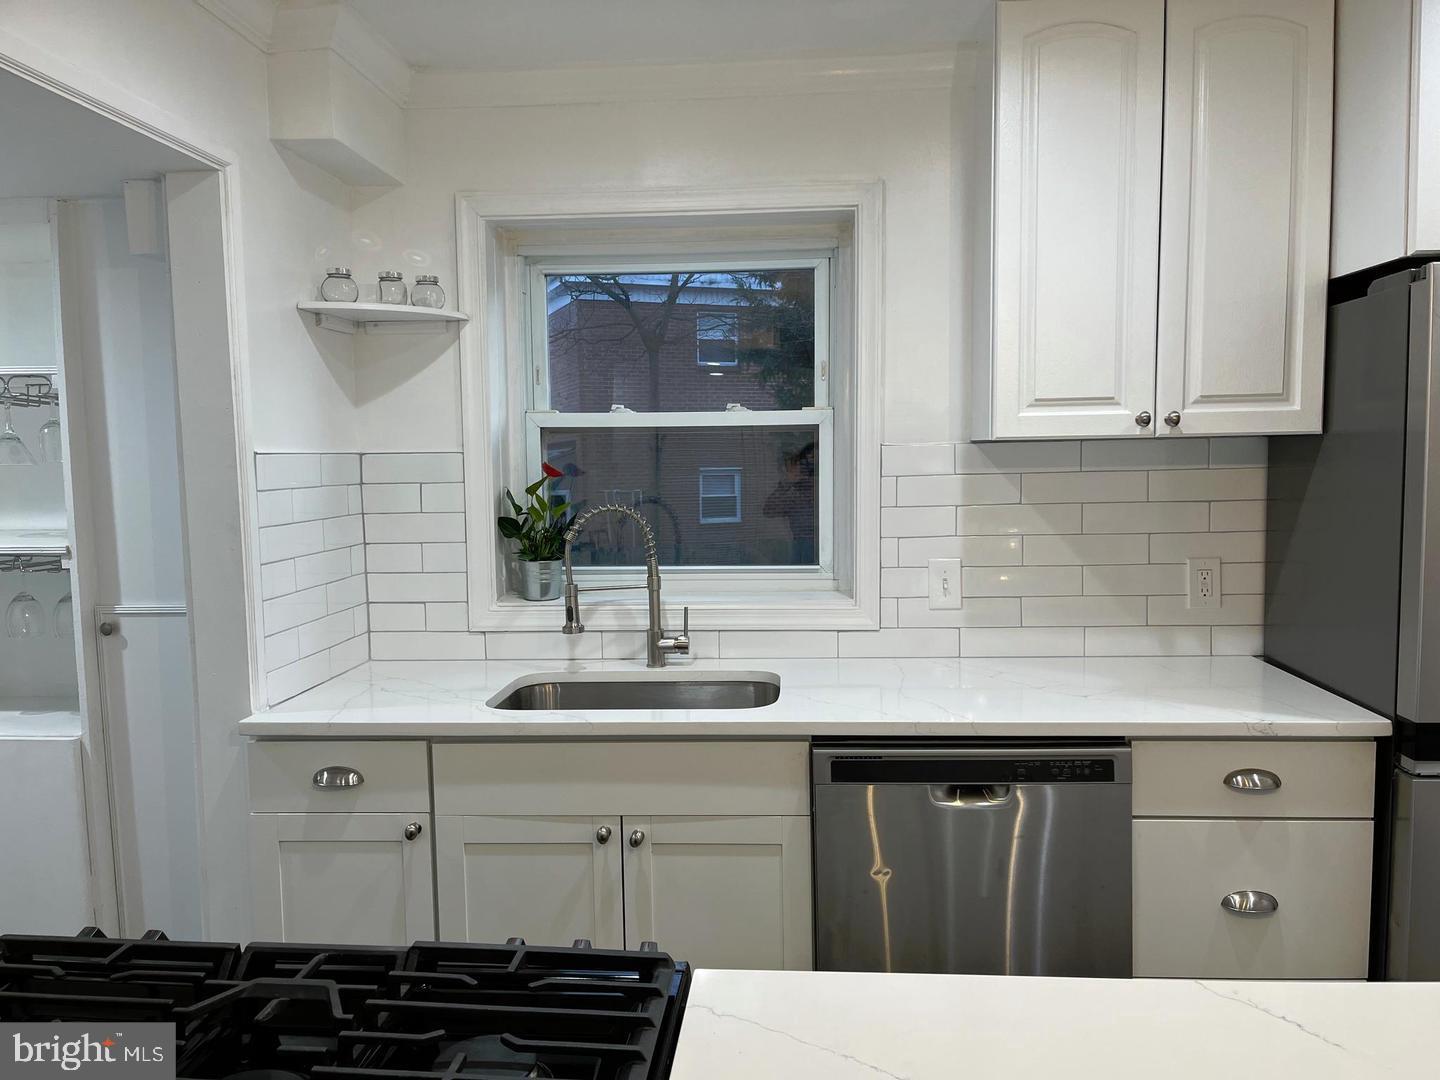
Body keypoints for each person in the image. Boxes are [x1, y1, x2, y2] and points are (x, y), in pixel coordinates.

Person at [763, 441, 817, 564]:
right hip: (799, 543)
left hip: (821, 542)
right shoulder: (791, 492)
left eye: (796, 465)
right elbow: (768, 511)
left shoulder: (817, 485)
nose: (794, 470)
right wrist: (784, 484)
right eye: (788, 468)